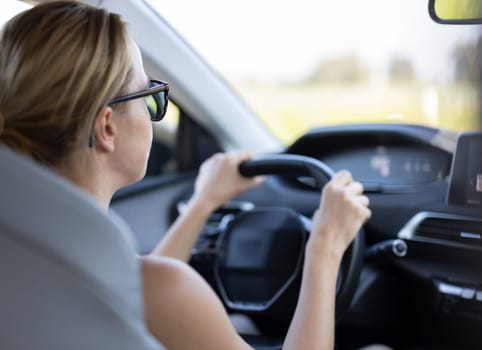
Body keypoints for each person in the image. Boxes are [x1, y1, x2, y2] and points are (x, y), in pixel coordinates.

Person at [0, 1, 372, 349]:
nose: (151, 111)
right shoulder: (160, 288)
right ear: (107, 128)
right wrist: (325, 247)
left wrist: (202, 203)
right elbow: (154, 290)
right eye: (147, 95)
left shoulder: (31, 261)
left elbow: (139, 293)